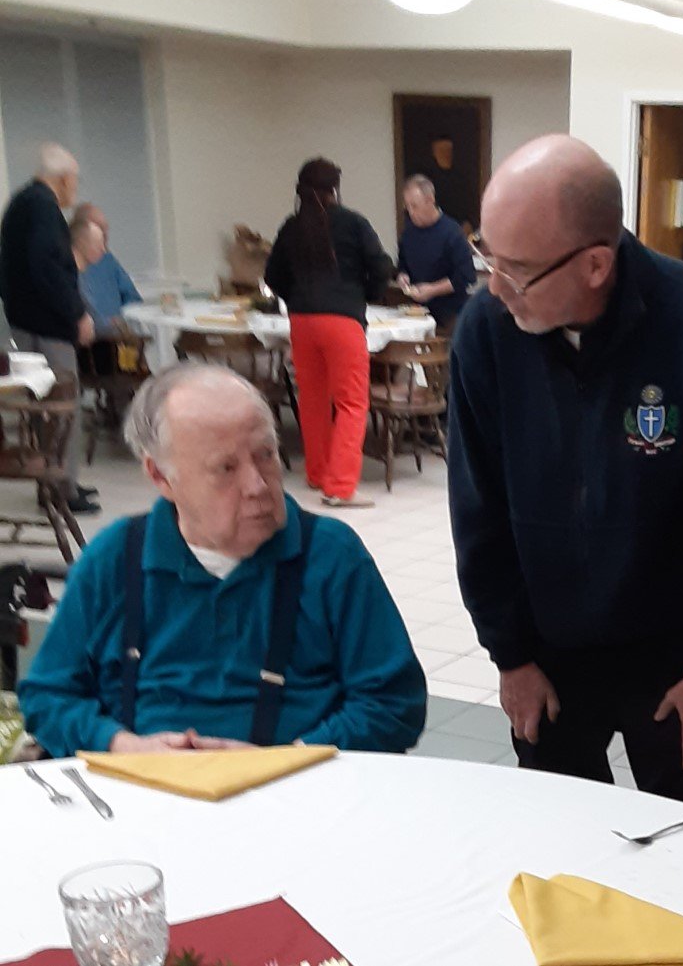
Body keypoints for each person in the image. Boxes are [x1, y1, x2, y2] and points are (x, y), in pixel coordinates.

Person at [447, 134, 683, 808]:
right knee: (561, 832)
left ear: (596, 264)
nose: (494, 287)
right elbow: (476, 509)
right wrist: (509, 654)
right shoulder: (488, 331)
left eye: (515, 269)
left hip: (679, 655)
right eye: (486, 256)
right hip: (549, 652)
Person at [18, 363, 426, 756]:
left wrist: (290, 758)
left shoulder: (331, 555)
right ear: (161, 477)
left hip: (299, 799)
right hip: (139, 800)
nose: (257, 485)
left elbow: (395, 704)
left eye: (265, 455)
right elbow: (47, 696)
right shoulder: (115, 559)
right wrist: (123, 747)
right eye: (225, 468)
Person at [264, 157, 393, 508]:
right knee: (351, 402)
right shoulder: (353, 223)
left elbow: (273, 276)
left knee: (313, 398)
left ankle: (317, 473)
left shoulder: (291, 227)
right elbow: (382, 267)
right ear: (335, 188)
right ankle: (339, 487)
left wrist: (298, 299)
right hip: (342, 319)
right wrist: (363, 294)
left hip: (302, 321)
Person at [0, 142, 98, 514]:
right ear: (61, 178)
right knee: (62, 408)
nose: (75, 187)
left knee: (43, 412)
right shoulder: (44, 209)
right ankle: (63, 490)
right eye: (74, 179)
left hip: (24, 323)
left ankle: (53, 485)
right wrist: (77, 313)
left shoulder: (18, 205)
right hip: (48, 329)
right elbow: (49, 269)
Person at [396, 175, 476, 337]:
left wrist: (432, 290)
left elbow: (466, 276)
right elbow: (402, 264)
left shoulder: (452, 232)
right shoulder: (408, 233)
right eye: (408, 207)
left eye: (415, 206)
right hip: (418, 311)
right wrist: (402, 276)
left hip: (451, 312)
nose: (410, 212)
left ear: (430, 200)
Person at [72, 202, 142, 338]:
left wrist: (123, 319)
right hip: (93, 342)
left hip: (119, 336)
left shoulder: (108, 260)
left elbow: (133, 297)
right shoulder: (70, 266)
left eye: (105, 230)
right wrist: (109, 324)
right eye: (100, 231)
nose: (105, 237)